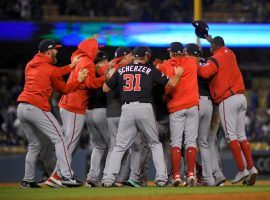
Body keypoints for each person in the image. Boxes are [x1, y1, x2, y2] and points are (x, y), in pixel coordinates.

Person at [102, 45, 184, 187]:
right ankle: (161, 178)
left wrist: (109, 74)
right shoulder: (150, 70)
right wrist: (178, 75)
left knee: (120, 146)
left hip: (126, 108)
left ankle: (108, 179)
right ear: (146, 56)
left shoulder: (121, 70)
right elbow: (171, 83)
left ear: (134, 56)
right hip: (145, 107)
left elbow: (105, 88)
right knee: (154, 143)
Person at [17, 39, 88, 188]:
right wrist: (79, 80)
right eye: (55, 49)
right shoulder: (50, 69)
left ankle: (27, 180)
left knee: (34, 145)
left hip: (22, 108)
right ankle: (66, 177)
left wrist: (70, 66)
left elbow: (53, 72)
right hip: (36, 107)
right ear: (49, 51)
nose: (57, 51)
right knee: (60, 140)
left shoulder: (30, 64)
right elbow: (64, 89)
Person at [197, 35, 258, 185]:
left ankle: (242, 170)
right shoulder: (230, 53)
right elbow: (219, 46)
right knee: (241, 136)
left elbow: (204, 73)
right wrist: (210, 39)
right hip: (241, 98)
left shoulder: (215, 58)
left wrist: (196, 63)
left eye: (211, 47)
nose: (210, 50)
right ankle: (251, 168)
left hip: (227, 100)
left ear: (214, 47)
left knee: (231, 136)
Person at [46, 37, 105, 187]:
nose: (98, 51)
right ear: (91, 49)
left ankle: (57, 174)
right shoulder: (88, 62)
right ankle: (59, 175)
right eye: (97, 48)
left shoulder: (78, 58)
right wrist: (106, 78)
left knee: (69, 142)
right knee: (70, 143)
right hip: (75, 105)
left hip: (68, 103)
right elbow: (90, 83)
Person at [185, 43, 226, 186]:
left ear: (189, 53)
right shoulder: (209, 63)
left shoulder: (189, 63)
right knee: (204, 143)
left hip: (195, 102)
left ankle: (192, 176)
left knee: (189, 142)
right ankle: (210, 178)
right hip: (210, 104)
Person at [159, 42, 199, 187]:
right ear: (183, 52)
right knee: (191, 142)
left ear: (171, 53)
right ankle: (191, 174)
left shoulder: (165, 66)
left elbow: (167, 87)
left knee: (175, 142)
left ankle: (176, 176)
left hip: (176, 107)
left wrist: (165, 95)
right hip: (193, 106)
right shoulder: (192, 62)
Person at [85, 51, 109, 187]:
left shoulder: (90, 72)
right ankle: (107, 177)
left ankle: (92, 177)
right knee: (113, 146)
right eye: (104, 61)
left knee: (98, 146)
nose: (106, 63)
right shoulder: (104, 73)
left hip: (89, 112)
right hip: (101, 111)